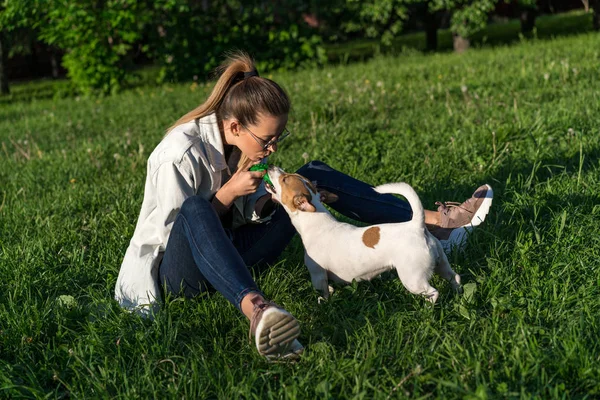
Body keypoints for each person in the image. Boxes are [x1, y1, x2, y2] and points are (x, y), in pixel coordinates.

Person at [114, 51, 493, 360]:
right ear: (234, 128)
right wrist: (227, 194)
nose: (273, 148)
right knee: (196, 208)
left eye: (280, 136)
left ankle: (433, 226)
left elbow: (245, 216)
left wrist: (273, 201)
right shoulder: (177, 156)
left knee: (312, 176)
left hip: (234, 250)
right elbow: (179, 235)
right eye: (267, 139)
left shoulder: (244, 146)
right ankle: (259, 311)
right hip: (179, 277)